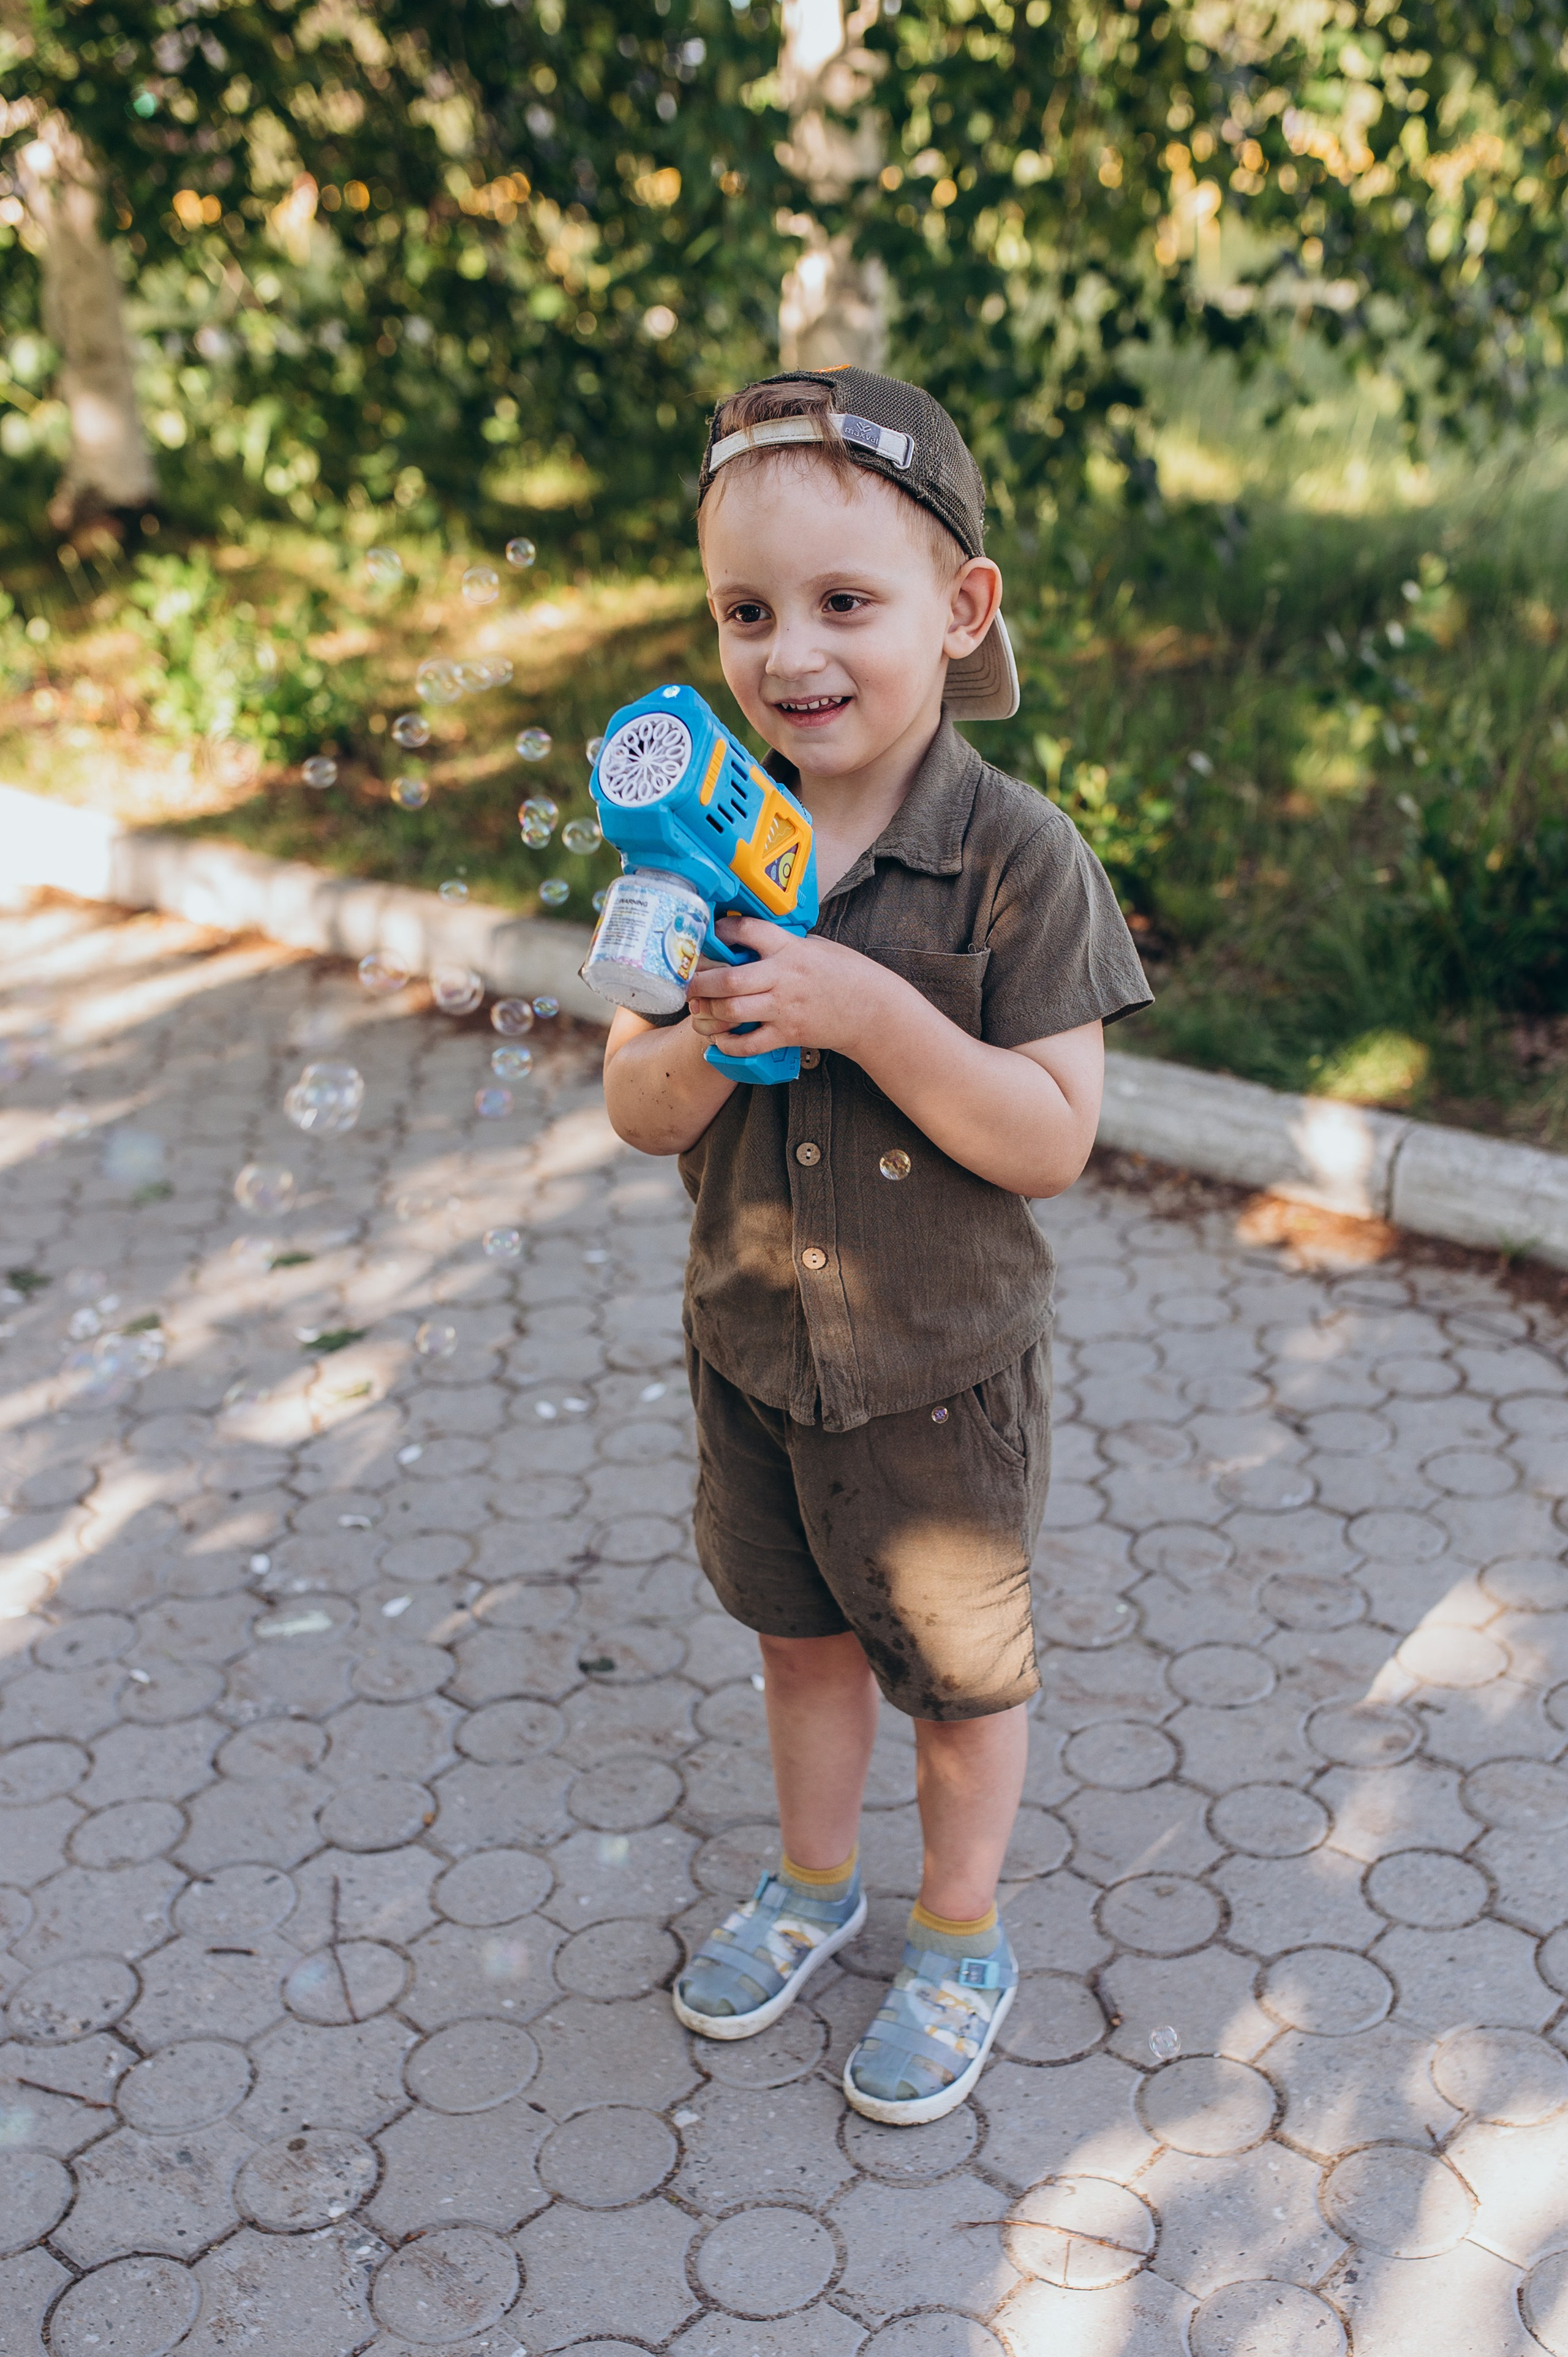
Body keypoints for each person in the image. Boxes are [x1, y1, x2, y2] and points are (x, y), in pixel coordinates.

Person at [601, 367, 1152, 2125]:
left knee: (958, 1680)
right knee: (797, 1643)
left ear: (959, 610)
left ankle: (961, 1930)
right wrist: (699, 1034)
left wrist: (868, 1014)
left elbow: (1053, 1138)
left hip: (937, 1386)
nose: (791, 652)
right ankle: (816, 1888)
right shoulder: (690, 844)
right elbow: (638, 1107)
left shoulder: (1014, 862)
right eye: (747, 611)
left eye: (846, 603)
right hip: (756, 1349)